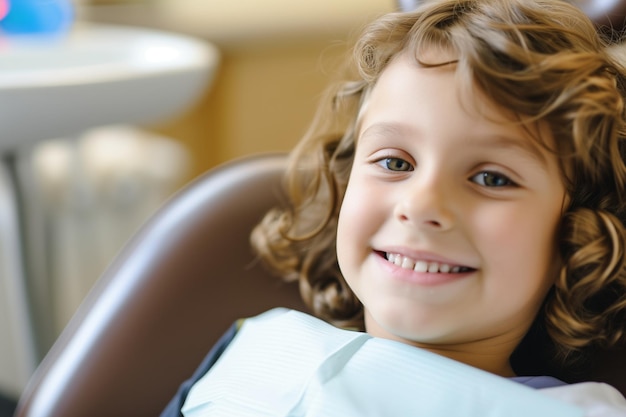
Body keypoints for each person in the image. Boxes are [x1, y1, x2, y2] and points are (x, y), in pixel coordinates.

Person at [161, 0, 626, 415]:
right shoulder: (260, 350)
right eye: (395, 162)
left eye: (491, 178)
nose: (421, 205)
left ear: (578, 233)